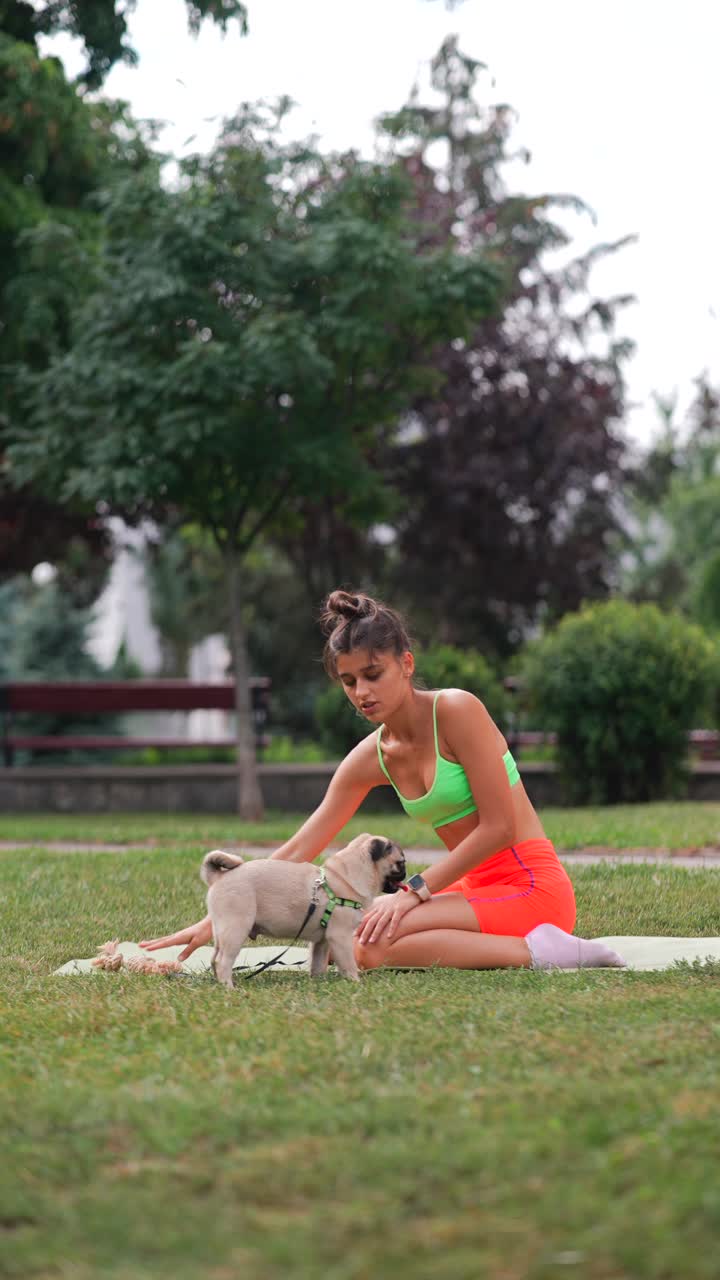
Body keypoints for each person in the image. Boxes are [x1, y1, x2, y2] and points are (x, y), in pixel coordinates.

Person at [140, 590, 624, 971]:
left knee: (363, 942)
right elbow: (299, 848)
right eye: (349, 681)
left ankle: (546, 952)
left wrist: (412, 892)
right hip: (471, 891)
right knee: (354, 938)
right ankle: (526, 946)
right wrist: (216, 915)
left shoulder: (457, 711)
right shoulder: (371, 757)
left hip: (532, 886)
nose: (362, 692)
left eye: (373, 674)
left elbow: (497, 827)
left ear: (406, 664)